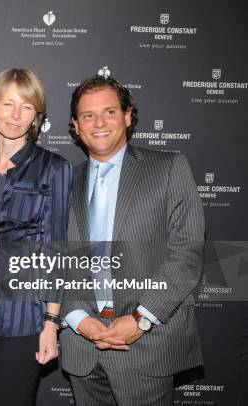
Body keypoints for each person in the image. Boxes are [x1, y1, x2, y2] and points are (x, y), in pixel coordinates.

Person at [59, 75, 205, 406]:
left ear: (127, 116)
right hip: (84, 348)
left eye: (109, 112)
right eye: (88, 115)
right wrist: (79, 319)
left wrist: (141, 319)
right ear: (75, 126)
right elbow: (55, 258)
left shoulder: (169, 168)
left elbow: (187, 253)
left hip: (146, 347)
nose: (99, 123)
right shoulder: (62, 182)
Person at [0, 68, 72, 406]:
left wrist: (51, 322)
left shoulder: (53, 168)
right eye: (7, 104)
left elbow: (55, 249)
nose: (15, 114)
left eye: (26, 106)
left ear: (36, 115)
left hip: (21, 321)